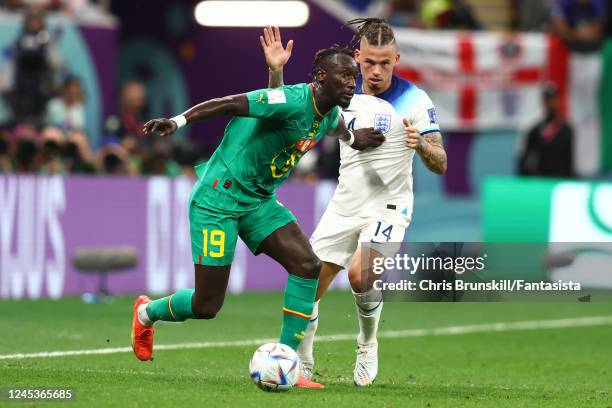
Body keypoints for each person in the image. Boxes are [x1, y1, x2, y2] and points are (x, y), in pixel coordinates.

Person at [131, 44, 385, 389]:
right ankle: (147, 313)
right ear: (320, 78)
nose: (351, 83)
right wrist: (177, 121)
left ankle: (288, 364)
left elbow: (337, 127)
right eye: (344, 75)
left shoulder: (328, 112)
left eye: (353, 77)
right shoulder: (291, 101)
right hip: (218, 199)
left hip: (258, 201)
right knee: (207, 305)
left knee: (307, 265)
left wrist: (356, 138)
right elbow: (230, 103)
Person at [261, 20, 447, 386]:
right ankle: (303, 360)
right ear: (358, 57)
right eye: (369, 63)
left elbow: (440, 161)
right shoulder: (339, 89)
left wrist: (421, 144)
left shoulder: (414, 100)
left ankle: (367, 342)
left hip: (390, 205)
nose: (376, 72)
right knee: (308, 285)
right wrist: (276, 71)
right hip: (346, 203)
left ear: (396, 59)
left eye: (385, 64)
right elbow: (282, 111)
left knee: (362, 274)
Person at [518, 82, 574, 177]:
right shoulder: (535, 131)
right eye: (548, 99)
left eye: (553, 98)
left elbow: (571, 161)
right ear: (543, 101)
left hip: (561, 181)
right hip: (542, 183)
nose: (551, 102)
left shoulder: (567, 130)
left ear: (558, 100)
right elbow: (525, 161)